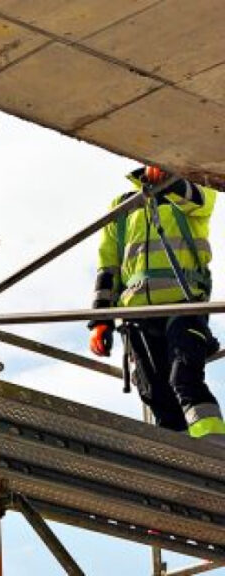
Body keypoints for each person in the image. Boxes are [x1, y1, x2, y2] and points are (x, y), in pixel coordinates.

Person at [88, 166, 225, 444]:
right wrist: (102, 321)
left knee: (184, 377)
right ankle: (178, 456)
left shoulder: (196, 189)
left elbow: (198, 198)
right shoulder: (124, 205)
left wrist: (170, 178)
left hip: (184, 305)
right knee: (155, 393)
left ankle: (215, 447)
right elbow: (108, 267)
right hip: (137, 313)